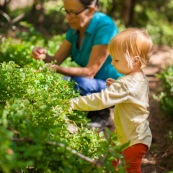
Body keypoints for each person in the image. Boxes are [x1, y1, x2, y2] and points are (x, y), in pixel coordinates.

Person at [70, 28, 153, 173]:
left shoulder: (127, 84)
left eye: (116, 59)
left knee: (131, 169)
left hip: (133, 140)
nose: (112, 63)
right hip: (129, 136)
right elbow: (133, 93)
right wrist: (116, 85)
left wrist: (74, 103)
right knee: (112, 161)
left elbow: (101, 100)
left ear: (135, 60)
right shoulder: (138, 77)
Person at [32, 0, 122, 131]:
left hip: (114, 86)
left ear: (90, 10)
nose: (68, 17)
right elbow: (56, 60)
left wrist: (57, 69)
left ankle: (101, 114)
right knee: (63, 82)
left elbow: (90, 71)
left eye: (73, 12)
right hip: (93, 83)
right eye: (66, 11)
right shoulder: (76, 27)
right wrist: (43, 56)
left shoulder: (105, 27)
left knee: (78, 83)